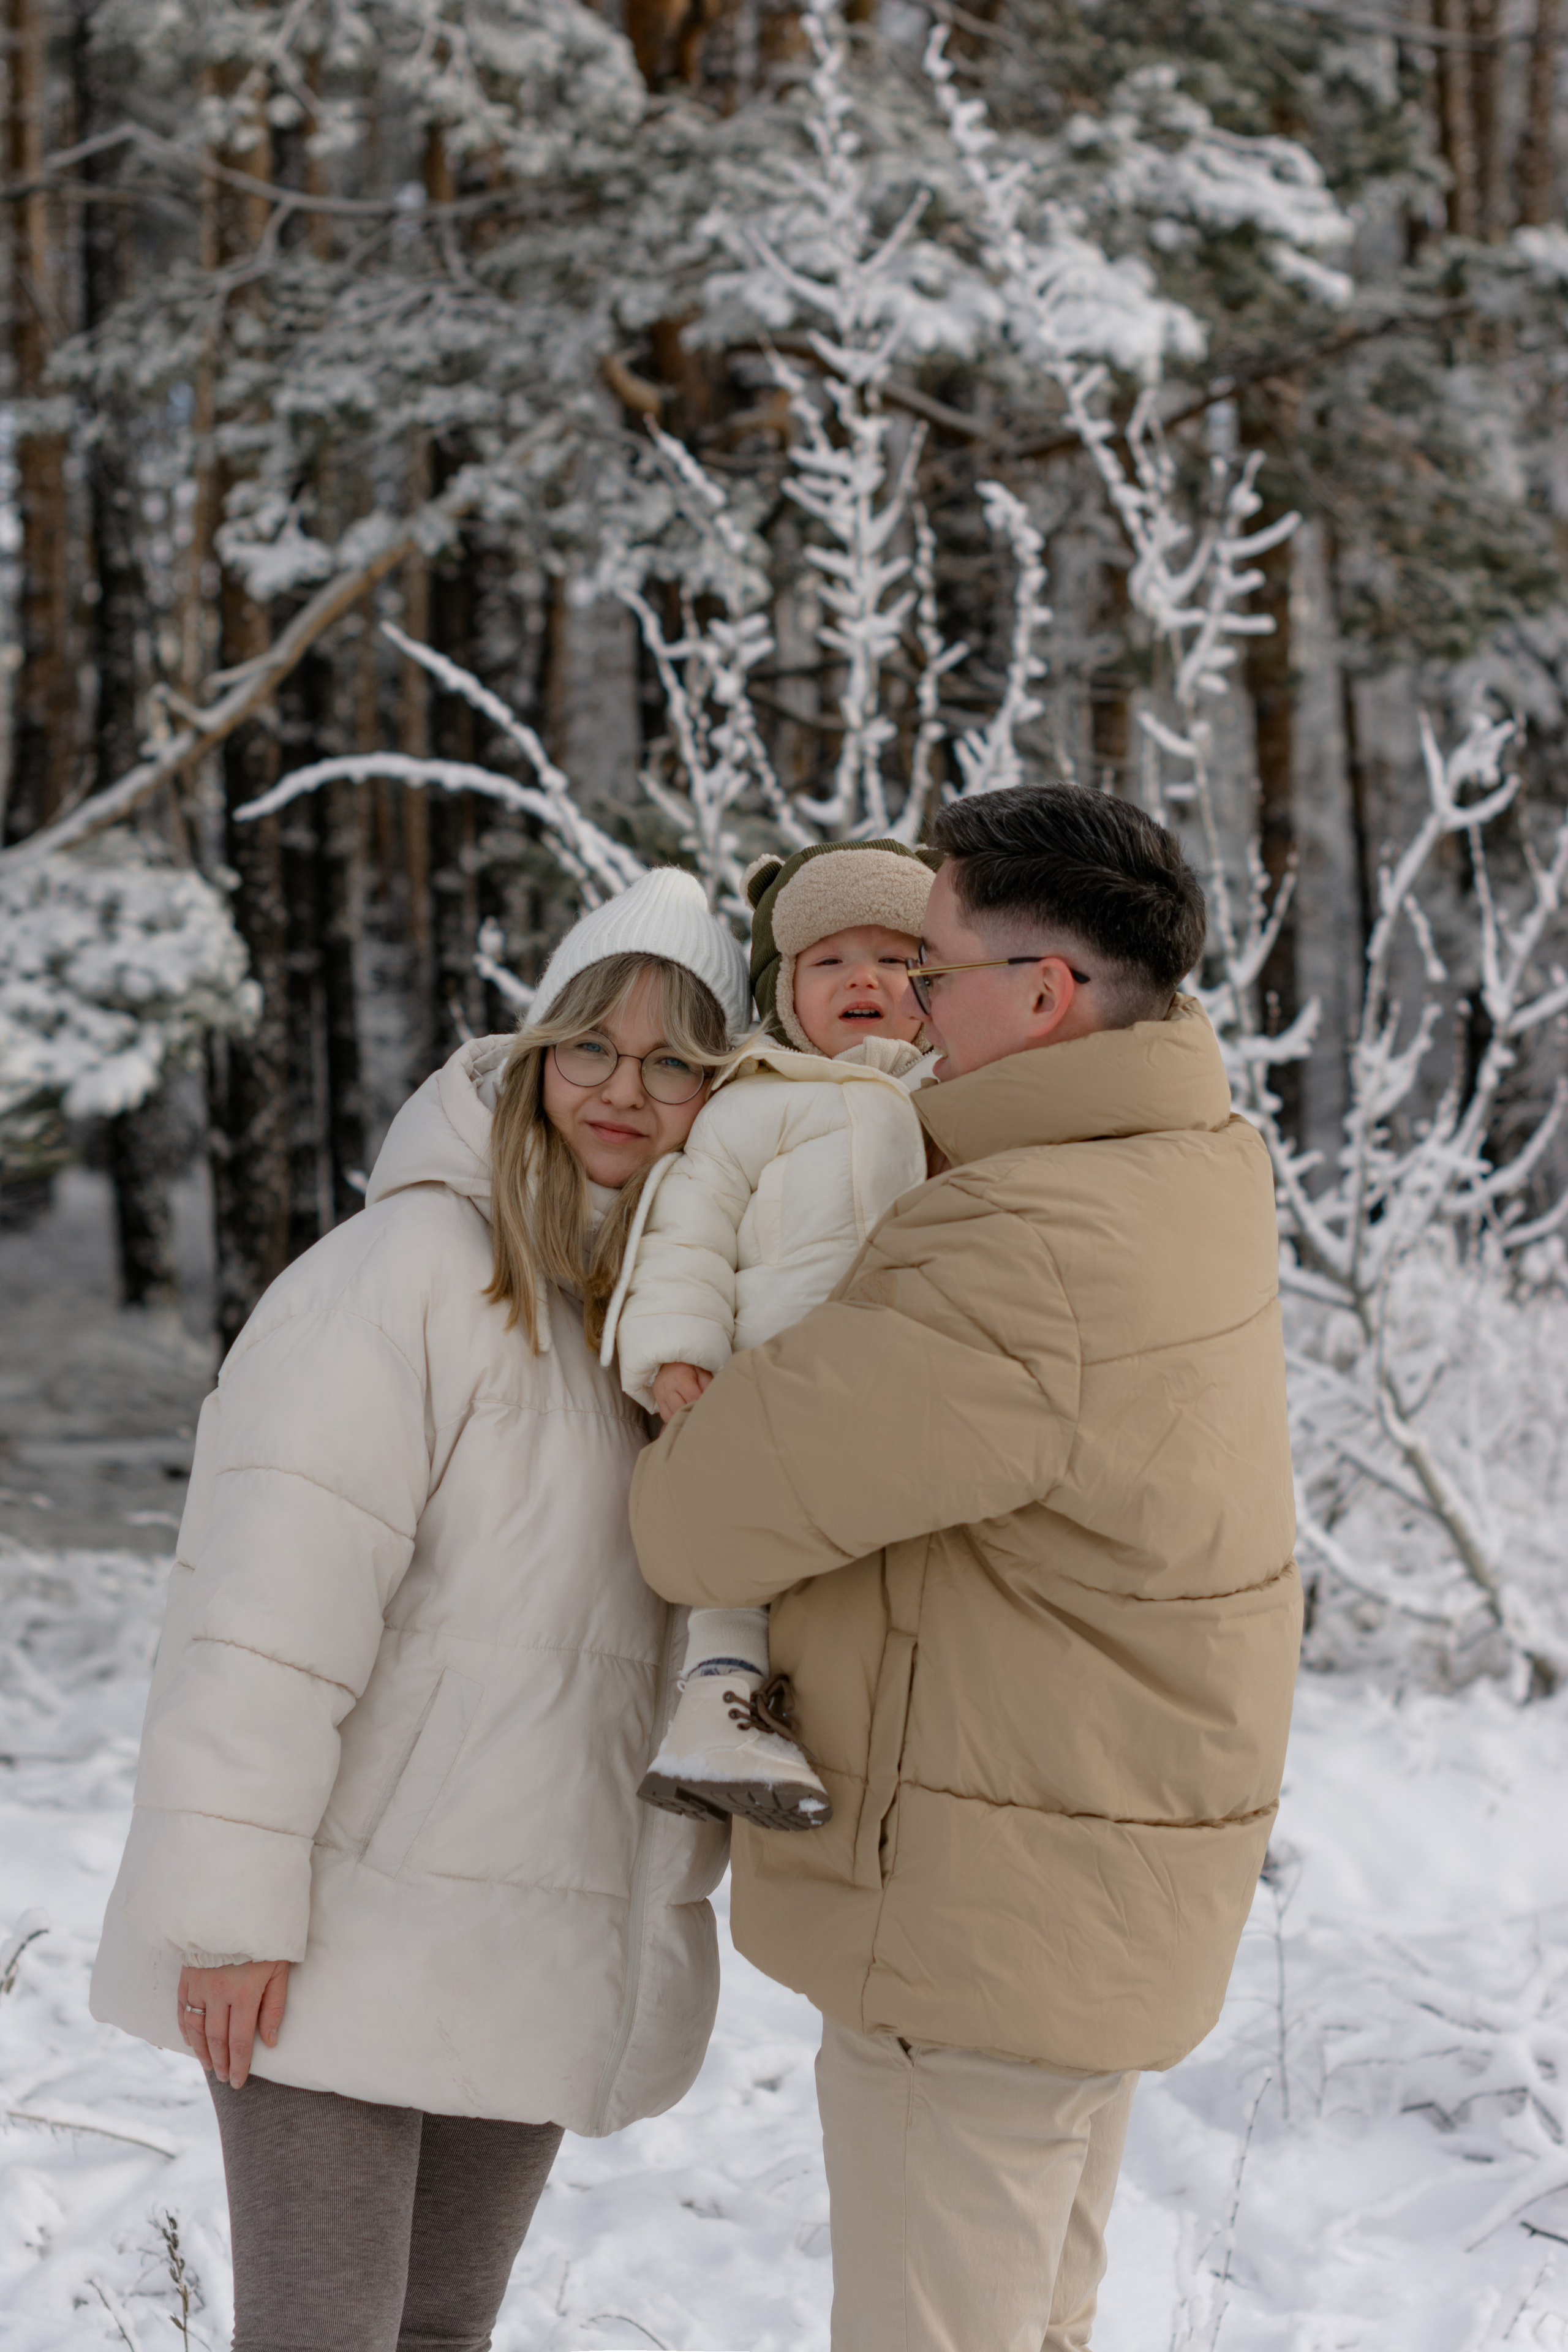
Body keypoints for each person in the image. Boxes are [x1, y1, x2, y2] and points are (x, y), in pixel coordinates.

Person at [630, 786, 1302, 2352]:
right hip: (1087, 1869)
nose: (903, 1007)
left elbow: (694, 1522)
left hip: (978, 1912)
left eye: (926, 973)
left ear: (1044, 995)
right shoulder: (1194, 1152)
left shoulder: (1016, 1242)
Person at [89, 867, 752, 2352]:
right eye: (589, 1046)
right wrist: (229, 1916)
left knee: (441, 2337)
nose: (623, 1093)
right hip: (329, 1941)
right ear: (533, 1058)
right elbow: (261, 1620)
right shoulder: (402, 1277)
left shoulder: (668, 1335)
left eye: (671, 1064)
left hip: (530, 1946)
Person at [600, 838, 937, 1829]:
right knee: (740, 1546)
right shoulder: (756, 1101)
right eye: (828, 960)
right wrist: (675, 1352)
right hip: (767, 1375)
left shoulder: (950, 1097)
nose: (863, 979)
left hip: (900, 1385)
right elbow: (687, 1230)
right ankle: (717, 1700)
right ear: (784, 989)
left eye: (896, 958)